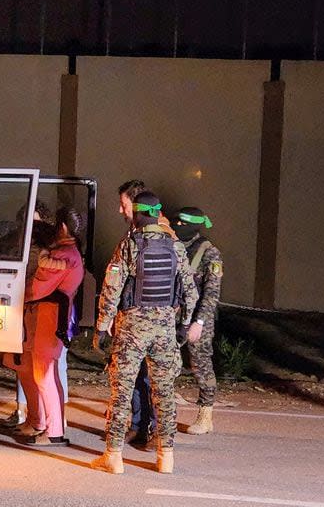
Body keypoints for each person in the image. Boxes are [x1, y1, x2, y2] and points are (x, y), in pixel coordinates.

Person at [91, 191, 197, 474]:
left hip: (132, 330)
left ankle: (113, 456)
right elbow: (190, 291)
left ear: (138, 214)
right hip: (164, 329)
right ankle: (166, 457)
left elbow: (112, 289)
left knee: (122, 393)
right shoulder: (175, 247)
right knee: (164, 393)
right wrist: (185, 325)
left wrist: (101, 327)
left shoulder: (129, 245)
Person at [116, 179, 177, 447]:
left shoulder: (162, 234)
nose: (121, 210)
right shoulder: (135, 232)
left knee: (156, 378)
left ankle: (154, 431)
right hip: (135, 318)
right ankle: (139, 425)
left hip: (152, 319)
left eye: (124, 204)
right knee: (138, 376)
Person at [17, 207, 84, 446]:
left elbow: (38, 287)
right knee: (46, 374)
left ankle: (53, 431)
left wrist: (14, 294)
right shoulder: (70, 253)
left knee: (44, 374)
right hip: (51, 317)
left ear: (63, 227)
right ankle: (47, 424)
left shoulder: (61, 257)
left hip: (49, 317)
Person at [172, 207, 224, 435]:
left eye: (183, 224)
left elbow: (212, 293)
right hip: (175, 315)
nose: (178, 227)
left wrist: (199, 323)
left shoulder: (209, 253)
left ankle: (205, 415)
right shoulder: (175, 246)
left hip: (198, 318)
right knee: (165, 361)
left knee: (200, 364)